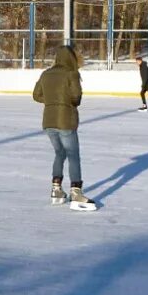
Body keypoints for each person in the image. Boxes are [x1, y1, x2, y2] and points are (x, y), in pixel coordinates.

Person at [32, 46, 96, 211]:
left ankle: (56, 190)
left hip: (48, 121)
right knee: (73, 155)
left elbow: (36, 95)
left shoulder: (46, 74)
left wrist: (51, 101)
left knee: (59, 153)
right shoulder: (71, 73)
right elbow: (76, 97)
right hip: (66, 120)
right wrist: (66, 102)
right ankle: (76, 193)